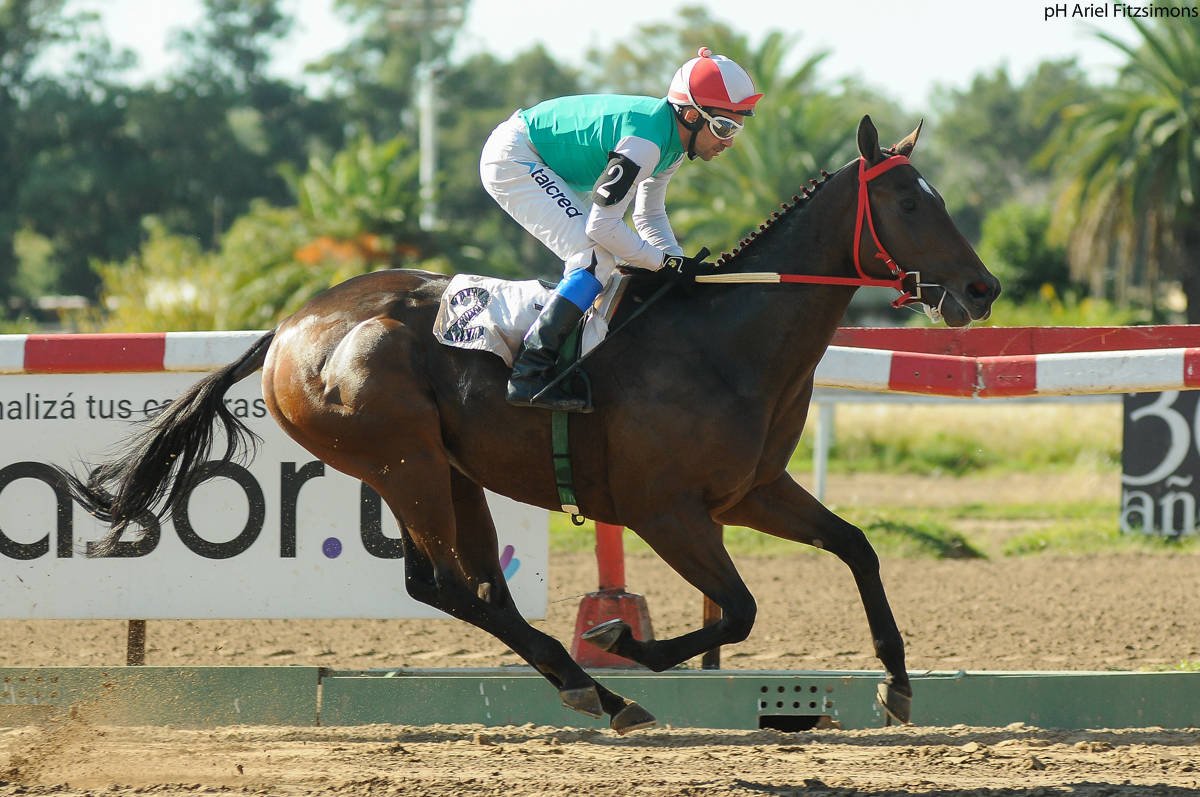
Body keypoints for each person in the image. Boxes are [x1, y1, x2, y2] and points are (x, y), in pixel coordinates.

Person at [480, 47, 762, 412]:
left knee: (602, 260)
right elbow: (603, 227)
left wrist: (676, 263)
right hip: (514, 157)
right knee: (595, 258)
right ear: (692, 116)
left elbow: (650, 215)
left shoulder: (673, 144)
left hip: (541, 160)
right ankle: (528, 373)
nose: (729, 141)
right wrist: (664, 264)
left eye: (737, 128)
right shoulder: (645, 144)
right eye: (724, 127)